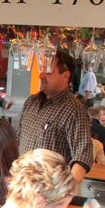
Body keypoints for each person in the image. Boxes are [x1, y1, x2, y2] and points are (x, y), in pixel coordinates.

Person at [17, 48, 93, 183]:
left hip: (49, 193)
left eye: (48, 72)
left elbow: (83, 157)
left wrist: (63, 195)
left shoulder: (73, 110)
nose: (41, 76)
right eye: (41, 70)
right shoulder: (30, 103)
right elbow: (17, 143)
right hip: (22, 188)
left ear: (65, 76)